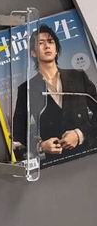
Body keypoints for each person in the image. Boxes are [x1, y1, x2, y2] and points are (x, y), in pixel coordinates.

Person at [12, 24, 97, 163]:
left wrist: (79, 134)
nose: (47, 46)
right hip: (56, 162)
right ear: (33, 53)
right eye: (40, 43)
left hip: (90, 153)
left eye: (50, 42)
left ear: (56, 49)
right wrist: (40, 145)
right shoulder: (25, 89)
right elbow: (18, 130)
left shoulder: (78, 76)